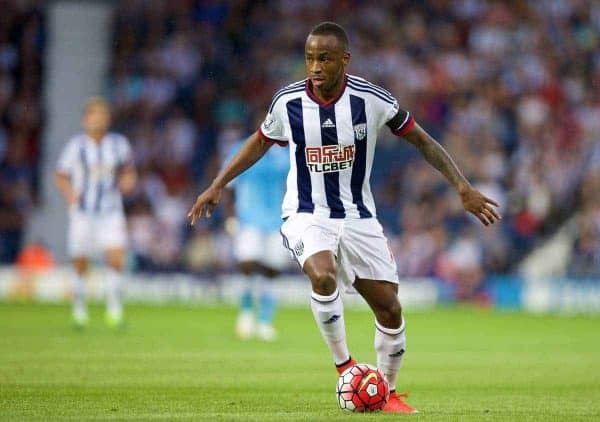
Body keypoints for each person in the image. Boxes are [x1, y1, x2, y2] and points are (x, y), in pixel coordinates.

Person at [188, 22, 500, 413]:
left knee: (389, 308)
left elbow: (422, 140)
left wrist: (462, 187)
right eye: (309, 58)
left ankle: (385, 392)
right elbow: (258, 142)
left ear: (344, 60)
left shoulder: (371, 100)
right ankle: (345, 365)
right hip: (306, 212)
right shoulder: (287, 103)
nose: (315, 66)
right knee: (322, 274)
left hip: (357, 215)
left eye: (324, 58)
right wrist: (218, 184)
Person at [55, 97, 136, 328]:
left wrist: (128, 182)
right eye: (94, 115)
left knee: (116, 258)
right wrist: (70, 194)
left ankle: (114, 310)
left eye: (102, 115)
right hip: (82, 212)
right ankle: (79, 310)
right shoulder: (76, 146)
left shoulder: (119, 144)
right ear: (85, 119)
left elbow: (129, 171)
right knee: (81, 261)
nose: (98, 120)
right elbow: (60, 174)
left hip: (110, 211)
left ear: (108, 119)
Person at [223, 138, 290, 341]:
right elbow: (228, 184)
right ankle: (245, 314)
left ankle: (264, 322)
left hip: (277, 221)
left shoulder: (286, 155)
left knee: (272, 270)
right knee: (248, 264)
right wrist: (230, 216)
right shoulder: (241, 148)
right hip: (248, 220)